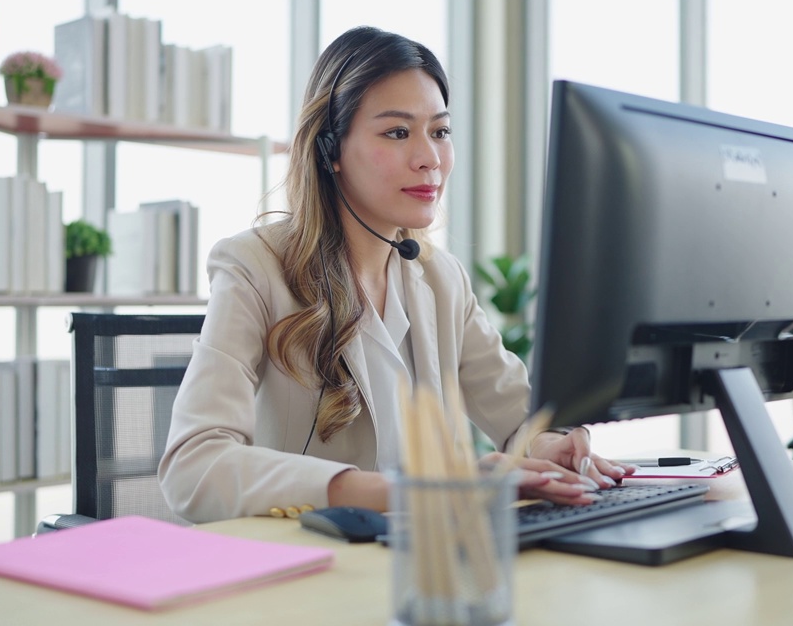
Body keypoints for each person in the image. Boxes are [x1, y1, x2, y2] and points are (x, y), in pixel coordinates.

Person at [159, 26, 631, 523]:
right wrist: (399, 492)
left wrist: (553, 446)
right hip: (309, 563)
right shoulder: (255, 267)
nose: (429, 158)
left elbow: (521, 418)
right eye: (397, 132)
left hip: (427, 565)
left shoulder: (438, 279)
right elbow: (193, 466)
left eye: (441, 131)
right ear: (330, 150)